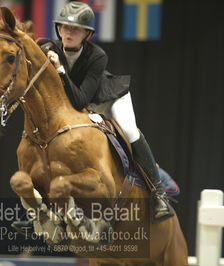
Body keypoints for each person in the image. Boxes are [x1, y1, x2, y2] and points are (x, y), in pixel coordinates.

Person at [43, 1, 173, 223]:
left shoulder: (97, 56)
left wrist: (60, 70)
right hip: (82, 106)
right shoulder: (50, 49)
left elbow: (80, 99)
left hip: (109, 99)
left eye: (75, 29)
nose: (68, 32)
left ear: (87, 33)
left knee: (130, 132)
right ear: (58, 29)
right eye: (64, 27)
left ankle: (159, 194)